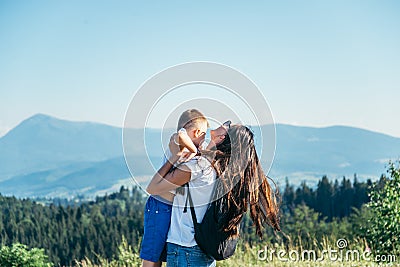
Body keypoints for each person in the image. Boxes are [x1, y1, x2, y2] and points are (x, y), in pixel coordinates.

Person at [146, 124, 280, 267]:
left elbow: (154, 187)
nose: (224, 123)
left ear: (222, 137)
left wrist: (174, 157)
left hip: (185, 249)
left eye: (227, 125)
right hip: (205, 251)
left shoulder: (200, 166)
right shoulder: (226, 170)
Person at [140, 109, 228, 267]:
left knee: (159, 252)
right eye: (203, 135)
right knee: (152, 254)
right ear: (196, 132)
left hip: (168, 206)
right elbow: (180, 135)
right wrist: (194, 151)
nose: (203, 139)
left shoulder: (192, 153)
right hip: (159, 205)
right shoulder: (179, 142)